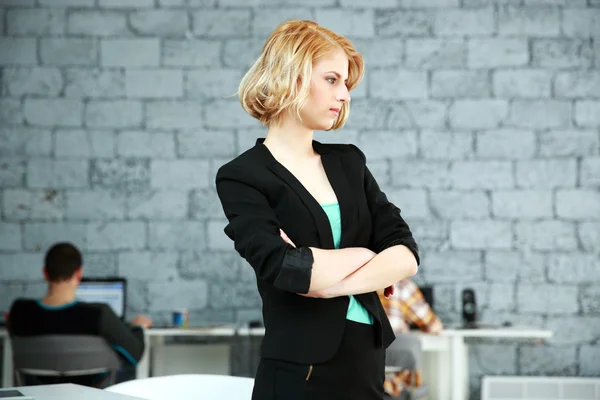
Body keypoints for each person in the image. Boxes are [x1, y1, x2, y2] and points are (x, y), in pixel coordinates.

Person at [215, 20, 419, 400]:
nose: (344, 94)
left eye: (346, 84)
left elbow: (406, 255)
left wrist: (328, 284)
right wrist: (366, 256)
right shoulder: (242, 176)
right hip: (298, 371)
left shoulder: (350, 163)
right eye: (332, 79)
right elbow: (288, 269)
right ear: (291, 75)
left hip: (366, 357)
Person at [7, 242, 152, 388]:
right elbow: (136, 354)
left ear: (45, 273)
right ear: (78, 274)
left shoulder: (19, 311)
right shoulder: (99, 314)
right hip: (91, 394)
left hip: (38, 393)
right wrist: (138, 327)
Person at [379, 279, 443, 398]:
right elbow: (432, 324)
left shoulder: (346, 285)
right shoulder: (401, 285)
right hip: (394, 384)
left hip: (353, 375)